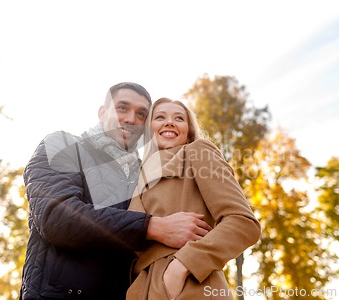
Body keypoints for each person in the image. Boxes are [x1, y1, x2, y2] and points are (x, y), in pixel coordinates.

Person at [20, 83, 212, 300]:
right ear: (103, 112)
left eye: (141, 114)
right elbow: (56, 216)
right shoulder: (64, 145)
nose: (131, 119)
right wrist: (152, 226)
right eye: (122, 108)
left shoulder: (145, 173)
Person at [127, 98, 261, 300]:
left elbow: (243, 223)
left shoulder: (198, 151)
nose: (169, 122)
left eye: (179, 118)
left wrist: (181, 267)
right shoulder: (136, 176)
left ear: (188, 130)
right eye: (160, 117)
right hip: (142, 289)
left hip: (191, 286)